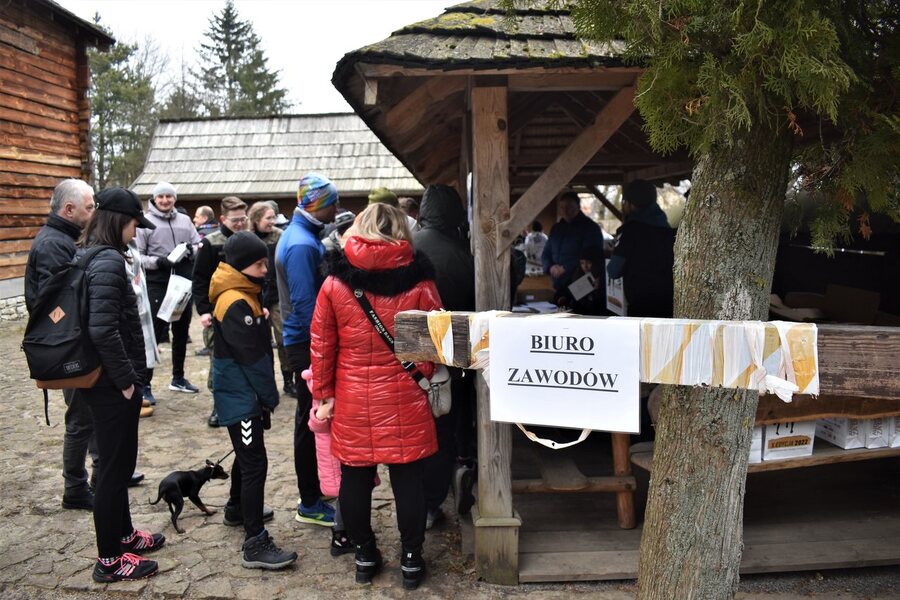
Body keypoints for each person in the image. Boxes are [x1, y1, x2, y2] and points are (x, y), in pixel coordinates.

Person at [310, 203, 442, 589]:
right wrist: (423, 376)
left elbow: (321, 344)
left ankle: (365, 555)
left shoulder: (336, 282)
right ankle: (413, 560)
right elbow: (431, 347)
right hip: (405, 393)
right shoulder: (420, 281)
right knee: (408, 480)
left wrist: (324, 394)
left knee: (354, 477)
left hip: (352, 396)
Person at [77, 187, 165, 583]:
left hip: (113, 384)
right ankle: (109, 559)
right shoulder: (108, 262)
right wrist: (129, 382)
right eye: (133, 225)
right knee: (112, 472)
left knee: (120, 464)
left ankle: (124, 534)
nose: (136, 233)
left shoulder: (98, 256)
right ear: (118, 223)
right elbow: (103, 330)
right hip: (113, 387)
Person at [209, 231, 297, 570]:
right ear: (245, 265)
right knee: (254, 462)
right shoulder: (235, 302)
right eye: (261, 264)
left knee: (247, 457)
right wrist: (269, 395)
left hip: (241, 392)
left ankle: (236, 508)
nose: (265, 270)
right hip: (240, 395)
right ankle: (255, 541)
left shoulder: (242, 293)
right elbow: (253, 359)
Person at [24, 179, 98, 511]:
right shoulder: (54, 244)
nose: (93, 211)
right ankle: (75, 487)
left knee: (92, 412)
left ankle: (103, 471)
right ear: (69, 210)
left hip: (75, 342)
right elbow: (60, 304)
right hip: (69, 346)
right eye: (89, 207)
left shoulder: (65, 239)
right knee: (80, 417)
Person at [275, 173, 338, 527]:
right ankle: (310, 501)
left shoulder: (305, 235)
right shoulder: (300, 244)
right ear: (318, 205)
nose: (337, 209)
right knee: (309, 420)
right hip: (305, 342)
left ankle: (315, 488)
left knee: (310, 417)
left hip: (304, 339)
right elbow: (305, 303)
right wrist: (324, 348)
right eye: (333, 203)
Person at [412, 185, 477, 524]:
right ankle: (432, 502)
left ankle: (417, 502)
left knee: (412, 429)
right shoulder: (463, 253)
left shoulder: (406, 247)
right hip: (449, 355)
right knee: (443, 427)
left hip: (407, 356)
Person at [135, 182, 201, 403]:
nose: (165, 200)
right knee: (154, 333)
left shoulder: (184, 220)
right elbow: (138, 257)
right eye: (161, 196)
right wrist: (159, 262)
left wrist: (192, 249)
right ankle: (144, 384)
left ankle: (178, 378)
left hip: (183, 280)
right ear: (154, 199)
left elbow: (198, 243)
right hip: (158, 281)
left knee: (181, 331)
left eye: (169, 196)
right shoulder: (145, 222)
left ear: (174, 198)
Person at [192, 196, 249, 427]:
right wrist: (203, 311)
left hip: (244, 310)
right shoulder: (211, 243)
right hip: (217, 312)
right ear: (223, 218)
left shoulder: (248, 240)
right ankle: (219, 405)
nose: (240, 224)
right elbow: (199, 279)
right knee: (220, 360)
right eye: (235, 220)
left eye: (243, 219)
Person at [606, 179, 676, 317]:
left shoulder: (629, 231)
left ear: (630, 204)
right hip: (669, 304)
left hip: (641, 306)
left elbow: (614, 270)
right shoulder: (668, 230)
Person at [248, 201, 292, 397]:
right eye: (268, 218)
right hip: (254, 297)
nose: (272, 221)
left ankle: (288, 381)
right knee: (259, 344)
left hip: (276, 296)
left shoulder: (280, 236)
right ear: (257, 219)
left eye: (274, 217)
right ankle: (265, 383)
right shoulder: (247, 238)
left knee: (283, 339)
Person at [541, 191, 604, 295]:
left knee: (578, 310)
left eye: (569, 207)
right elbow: (546, 252)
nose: (565, 210)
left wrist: (565, 268)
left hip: (581, 284)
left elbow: (592, 257)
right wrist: (550, 267)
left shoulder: (590, 228)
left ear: (578, 207)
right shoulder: (556, 228)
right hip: (558, 283)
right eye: (562, 207)